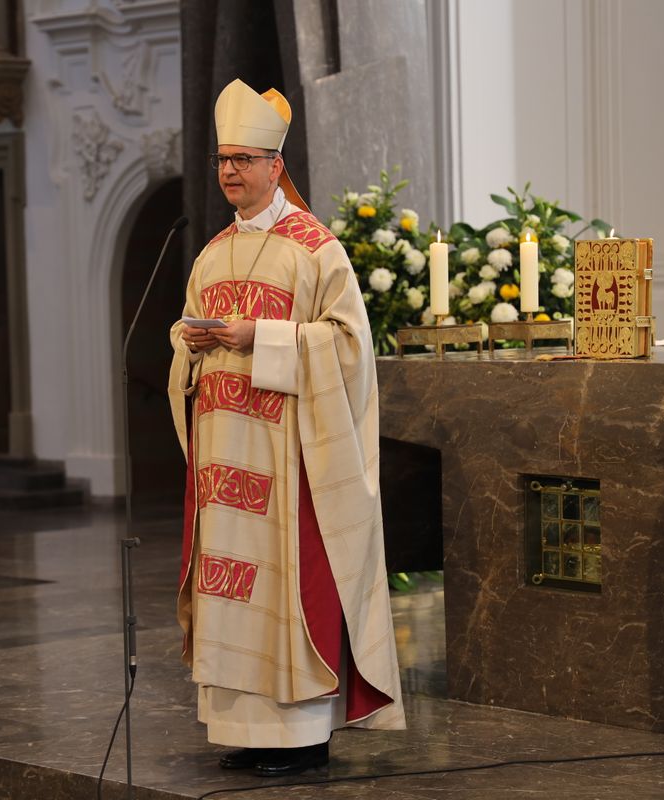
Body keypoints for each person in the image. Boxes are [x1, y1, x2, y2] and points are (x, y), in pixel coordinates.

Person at [167, 79, 405, 778]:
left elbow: (350, 347)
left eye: (242, 159)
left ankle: (302, 737)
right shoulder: (210, 253)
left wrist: (262, 338)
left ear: (276, 166)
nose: (229, 171)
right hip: (224, 462)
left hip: (286, 463)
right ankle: (247, 731)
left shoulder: (315, 249)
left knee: (283, 593)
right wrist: (190, 341)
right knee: (231, 593)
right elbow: (185, 347)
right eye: (222, 160)